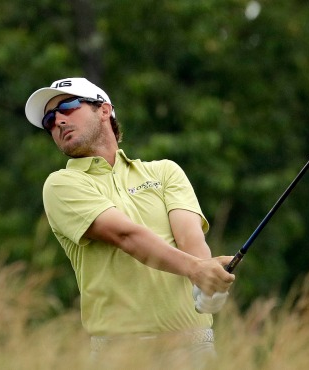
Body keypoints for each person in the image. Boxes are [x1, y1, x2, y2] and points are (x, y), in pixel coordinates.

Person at [24, 77, 235, 368]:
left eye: (68, 107)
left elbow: (191, 240)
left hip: (193, 346)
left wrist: (208, 285)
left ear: (104, 110)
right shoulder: (61, 184)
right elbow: (126, 236)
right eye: (49, 119)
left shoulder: (164, 172)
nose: (57, 121)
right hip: (119, 353)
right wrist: (199, 269)